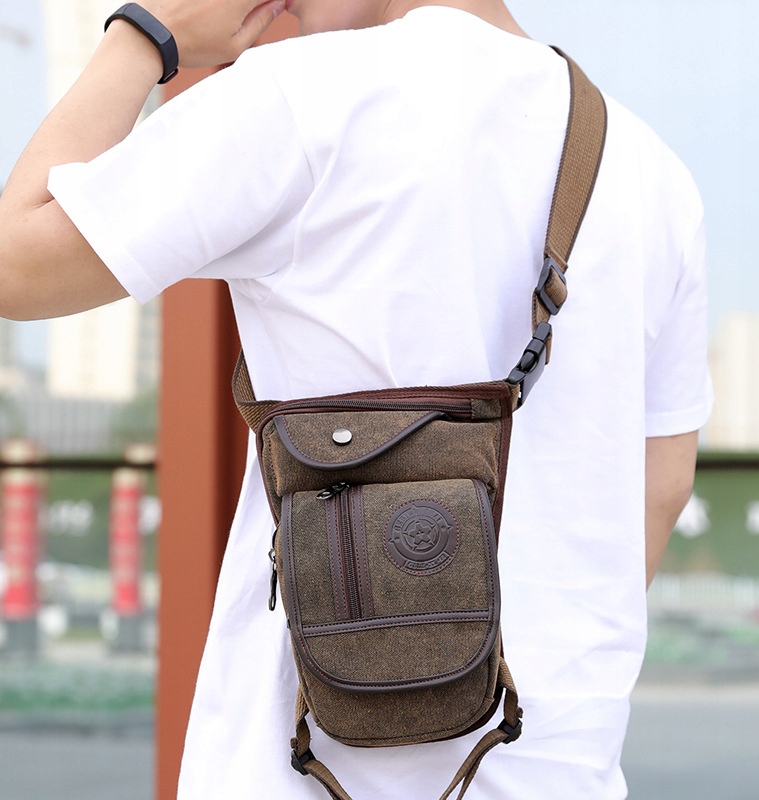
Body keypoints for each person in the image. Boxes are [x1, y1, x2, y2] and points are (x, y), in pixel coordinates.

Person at [0, 1, 712, 797]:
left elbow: (15, 264)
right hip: (558, 768)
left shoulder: (301, 98)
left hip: (306, 772)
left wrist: (145, 37)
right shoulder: (646, 168)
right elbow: (660, 488)